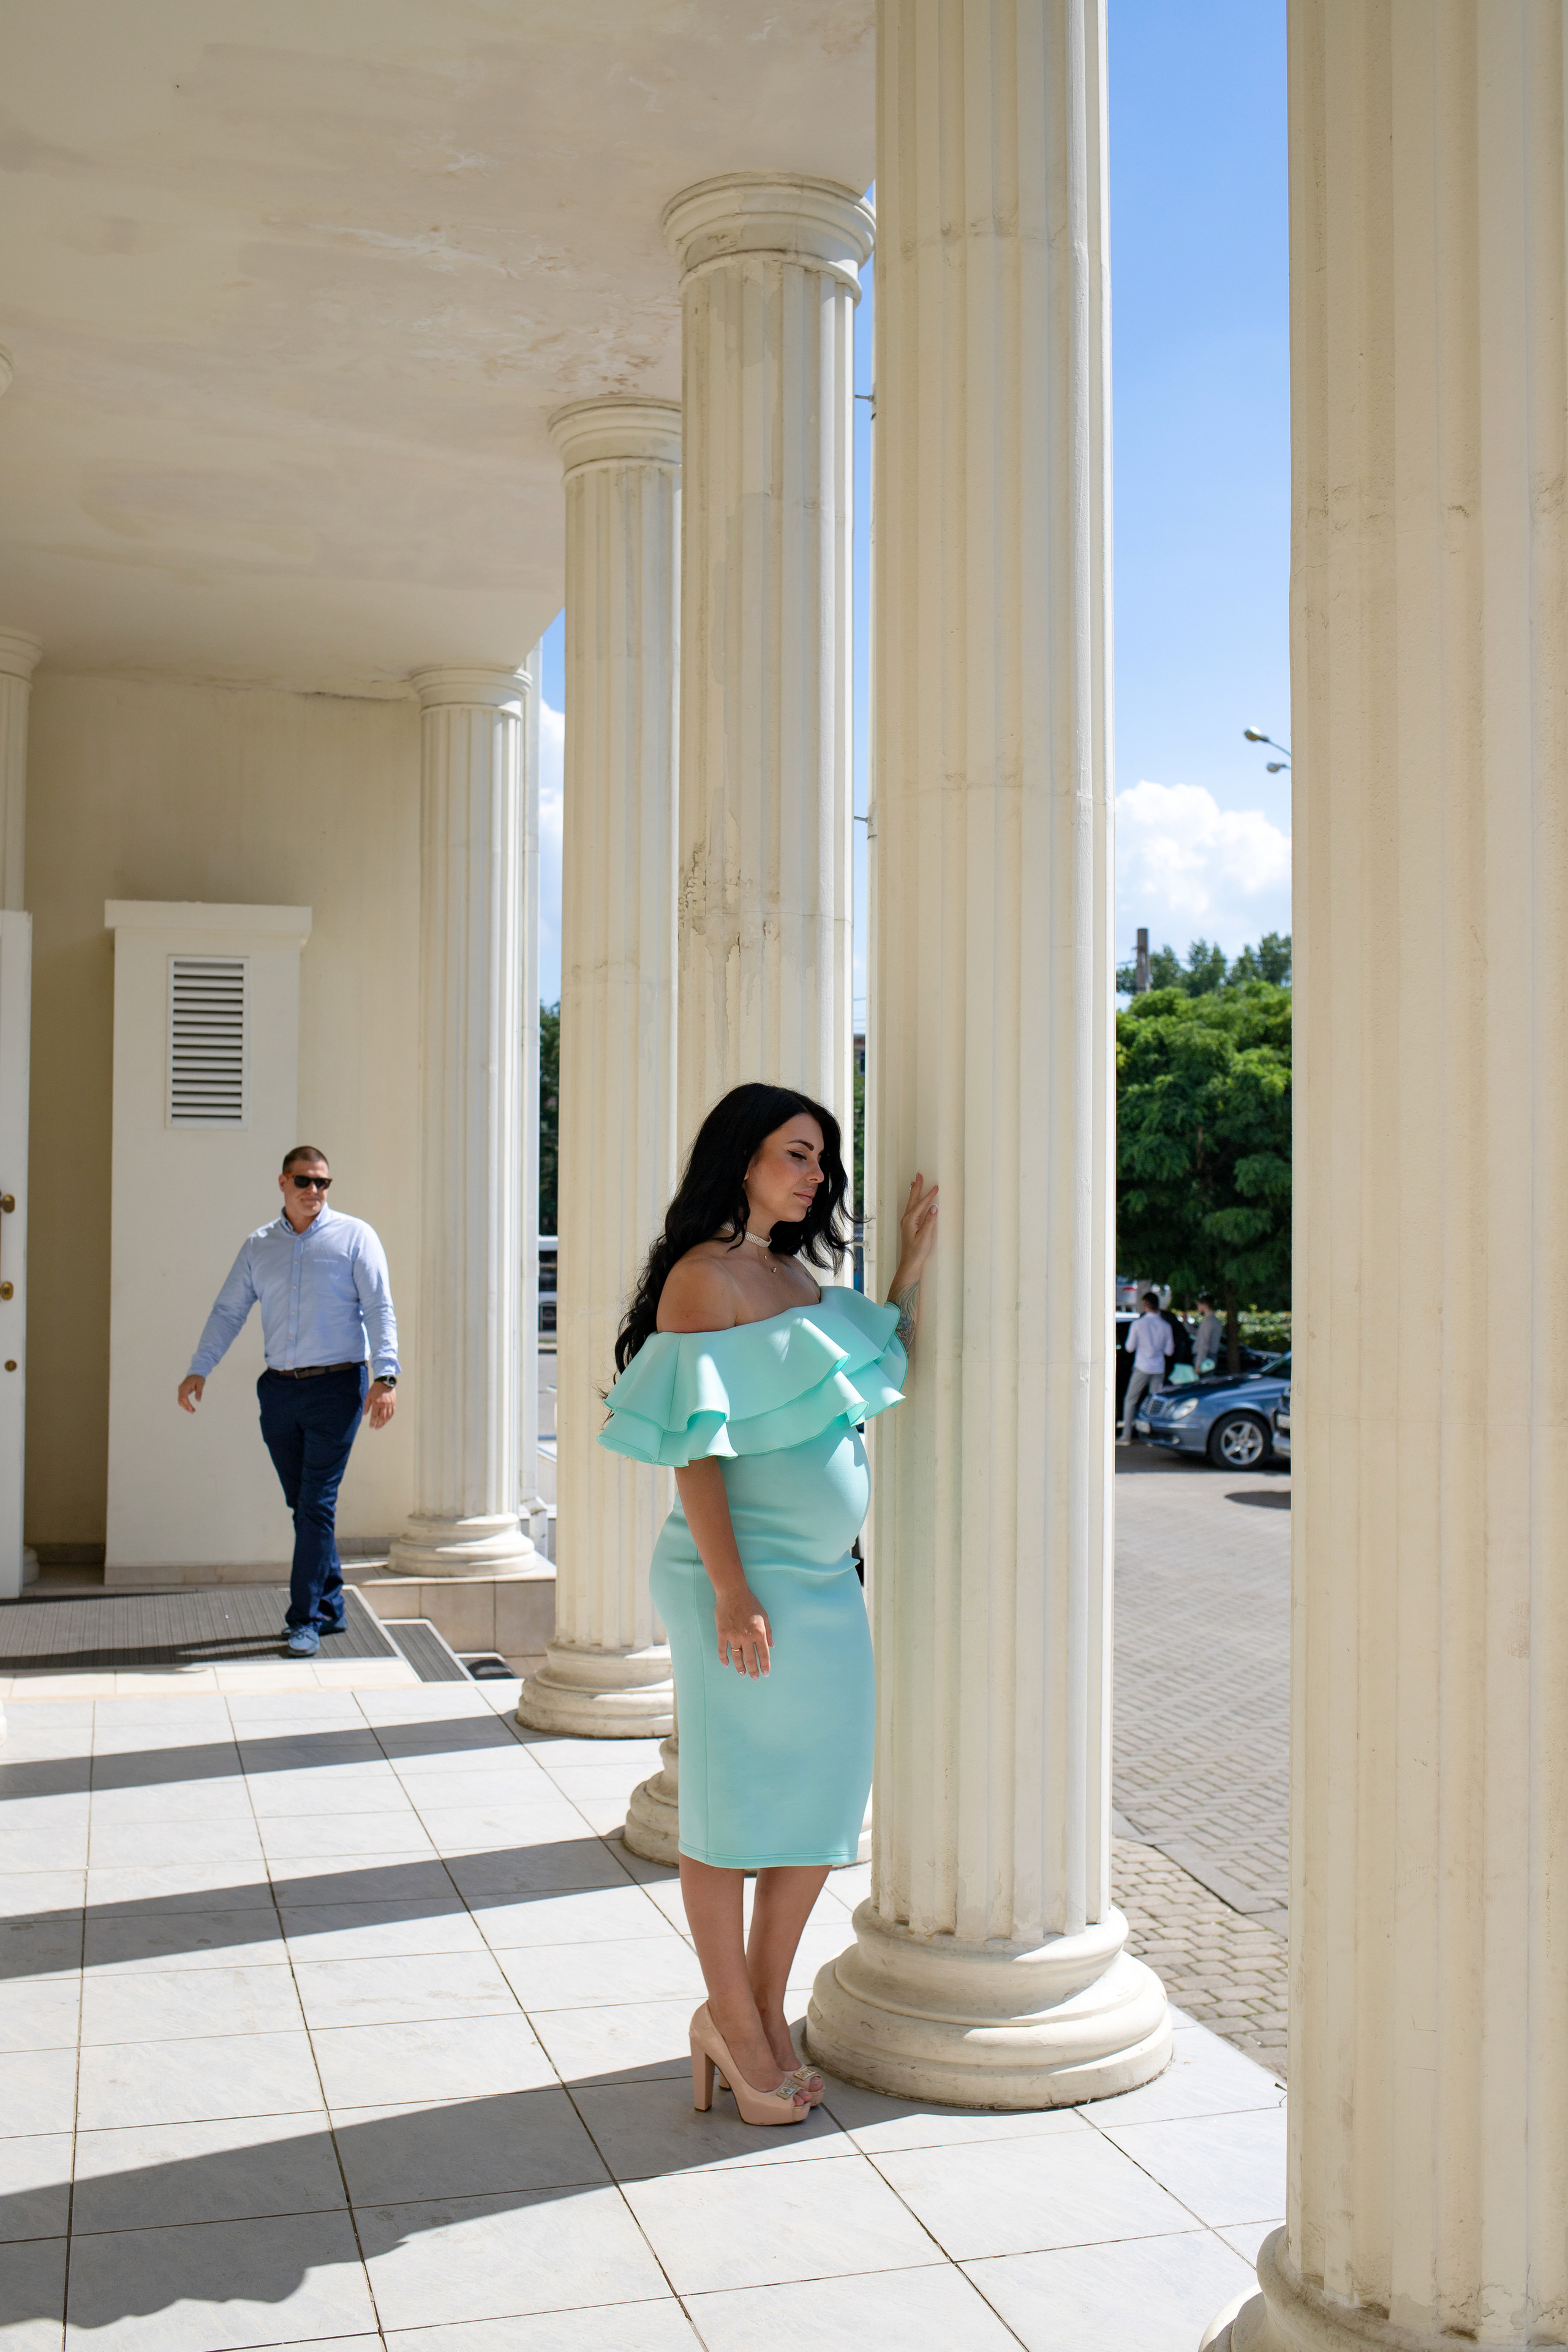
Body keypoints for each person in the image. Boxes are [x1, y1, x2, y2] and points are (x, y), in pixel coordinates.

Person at [598, 1084, 938, 2127]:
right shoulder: (705, 1281)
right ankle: (734, 2025)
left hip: (825, 1579)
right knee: (733, 1802)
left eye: (822, 1161)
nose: (816, 1175)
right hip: (735, 1578)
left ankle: (761, 2013)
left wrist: (910, 1274)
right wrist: (734, 1592)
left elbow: (869, 1370)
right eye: (798, 1154)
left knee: (820, 1804)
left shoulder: (794, 1274)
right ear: (741, 1157)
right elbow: (695, 1453)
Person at [178, 1146, 400, 1656]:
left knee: (317, 1505)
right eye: (304, 1181)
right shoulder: (259, 1246)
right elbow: (229, 1310)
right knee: (302, 1506)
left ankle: (303, 1621)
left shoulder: (355, 1237)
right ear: (283, 1183)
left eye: (323, 1183)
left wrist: (385, 1376)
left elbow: (379, 1308)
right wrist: (199, 1367)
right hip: (279, 1390)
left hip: (337, 1388)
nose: (314, 1191)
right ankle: (331, 1608)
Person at [1119, 1288, 1174, 1445]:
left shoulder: (1138, 1324)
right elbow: (1169, 1351)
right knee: (1155, 1402)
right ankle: (1153, 1437)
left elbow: (1129, 1347)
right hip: (1158, 1367)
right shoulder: (1165, 1326)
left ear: (1145, 1305)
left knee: (1130, 1400)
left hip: (1142, 1366)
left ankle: (1126, 1435)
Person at [1192, 1294, 1224, 1377]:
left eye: (1199, 1305)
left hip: (1205, 1358)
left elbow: (1204, 1344)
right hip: (1211, 1357)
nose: (1198, 1308)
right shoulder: (1216, 1321)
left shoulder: (1207, 1322)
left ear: (1204, 1306)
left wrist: (1198, 1364)